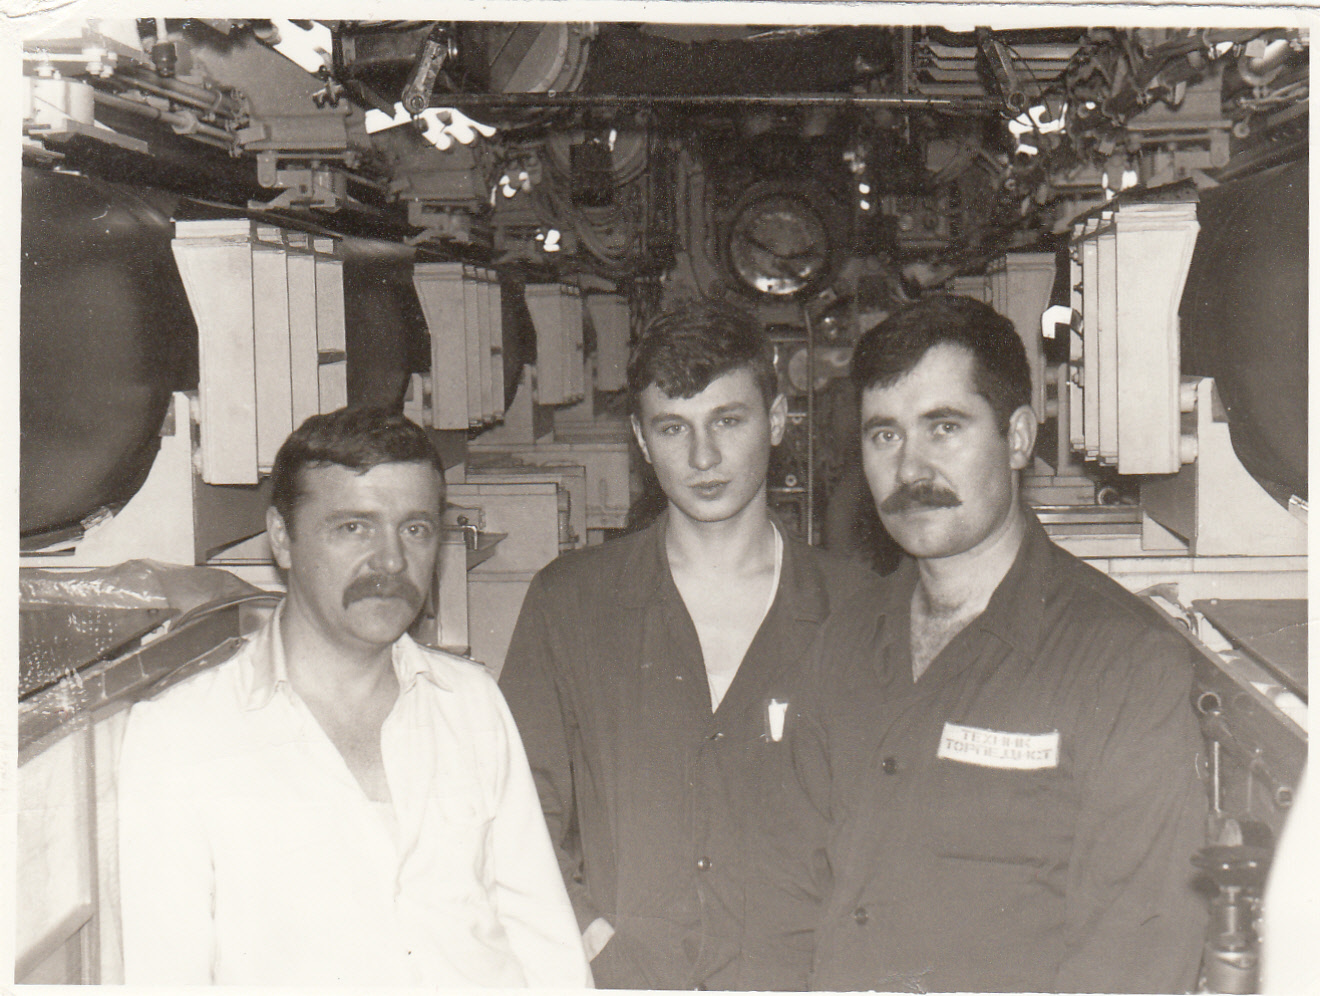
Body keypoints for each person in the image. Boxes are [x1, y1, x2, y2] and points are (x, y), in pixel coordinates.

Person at [784, 294, 1209, 992]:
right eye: (885, 435)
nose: (910, 469)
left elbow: (1136, 957)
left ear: (1017, 439)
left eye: (944, 428)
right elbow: (790, 888)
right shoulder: (843, 643)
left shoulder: (1124, 664)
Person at [117, 406, 592, 987]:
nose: (392, 560)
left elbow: (544, 940)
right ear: (282, 539)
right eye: (354, 528)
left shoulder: (471, 701)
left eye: (414, 529)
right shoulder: (180, 735)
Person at [498, 301, 880, 989]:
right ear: (642, 443)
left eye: (728, 421)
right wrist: (589, 939)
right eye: (674, 428)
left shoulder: (859, 610)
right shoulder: (571, 603)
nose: (703, 457)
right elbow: (514, 805)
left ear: (778, 420)